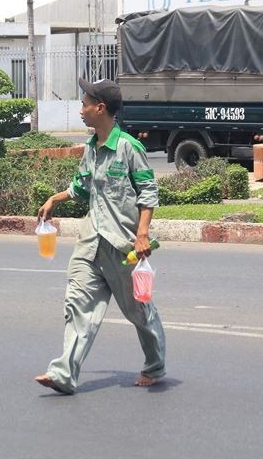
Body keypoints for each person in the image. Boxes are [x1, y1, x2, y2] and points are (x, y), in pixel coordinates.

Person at [34, 77, 165, 395]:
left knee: (138, 310)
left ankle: (155, 364)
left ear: (100, 108)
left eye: (84, 104)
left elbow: (148, 193)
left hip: (122, 246)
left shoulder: (128, 148)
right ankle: (64, 373)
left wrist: (143, 234)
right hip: (90, 242)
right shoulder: (91, 149)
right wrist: (54, 198)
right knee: (77, 304)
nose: (80, 110)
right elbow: (81, 187)